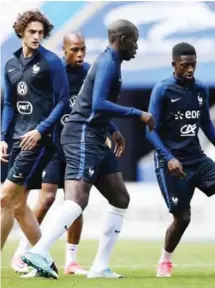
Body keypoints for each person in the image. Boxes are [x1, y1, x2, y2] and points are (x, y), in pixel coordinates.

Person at [22, 19, 155, 280]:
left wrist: (114, 131)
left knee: (120, 198)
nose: (137, 47)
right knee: (77, 200)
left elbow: (94, 104)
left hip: (95, 135)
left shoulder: (112, 62)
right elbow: (97, 104)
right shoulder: (107, 63)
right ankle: (39, 251)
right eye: (135, 41)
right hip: (82, 134)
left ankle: (99, 267)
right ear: (123, 40)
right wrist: (138, 113)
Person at [147, 42, 215, 278]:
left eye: (194, 65)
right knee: (183, 218)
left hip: (197, 158)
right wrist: (169, 158)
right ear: (174, 65)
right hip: (171, 163)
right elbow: (150, 131)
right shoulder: (162, 90)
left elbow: (206, 125)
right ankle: (165, 259)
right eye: (185, 65)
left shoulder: (200, 89)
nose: (191, 70)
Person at [12, 31, 90, 276]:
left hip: (77, 146)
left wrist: (110, 132)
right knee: (45, 199)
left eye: (82, 49)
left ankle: (71, 261)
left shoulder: (89, 73)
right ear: (64, 49)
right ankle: (24, 251)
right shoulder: (53, 71)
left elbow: (93, 106)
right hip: (54, 145)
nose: (79, 54)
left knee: (74, 202)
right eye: (74, 49)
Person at [0, 10, 69, 256]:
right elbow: (9, 104)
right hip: (17, 140)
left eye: (40, 32)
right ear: (21, 32)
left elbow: (63, 102)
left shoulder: (51, 62)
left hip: (39, 141)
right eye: (32, 32)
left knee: (4, 197)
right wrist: (2, 137)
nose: (37, 36)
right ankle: (44, 259)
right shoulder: (10, 64)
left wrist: (40, 131)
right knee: (17, 206)